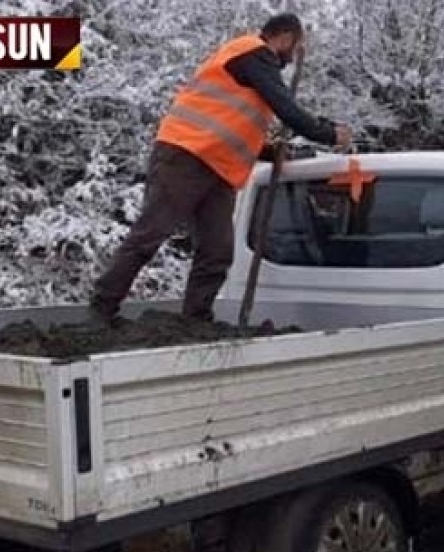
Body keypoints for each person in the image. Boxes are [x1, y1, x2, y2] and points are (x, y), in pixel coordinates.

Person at [89, 13, 352, 324]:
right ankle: (103, 307)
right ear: (283, 38)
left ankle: (196, 320)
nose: (293, 57)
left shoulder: (253, 72)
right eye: (294, 47)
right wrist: (328, 132)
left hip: (218, 169)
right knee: (151, 234)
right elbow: (287, 108)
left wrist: (272, 152)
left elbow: (234, 129)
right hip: (186, 155)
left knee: (217, 251)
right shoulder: (253, 52)